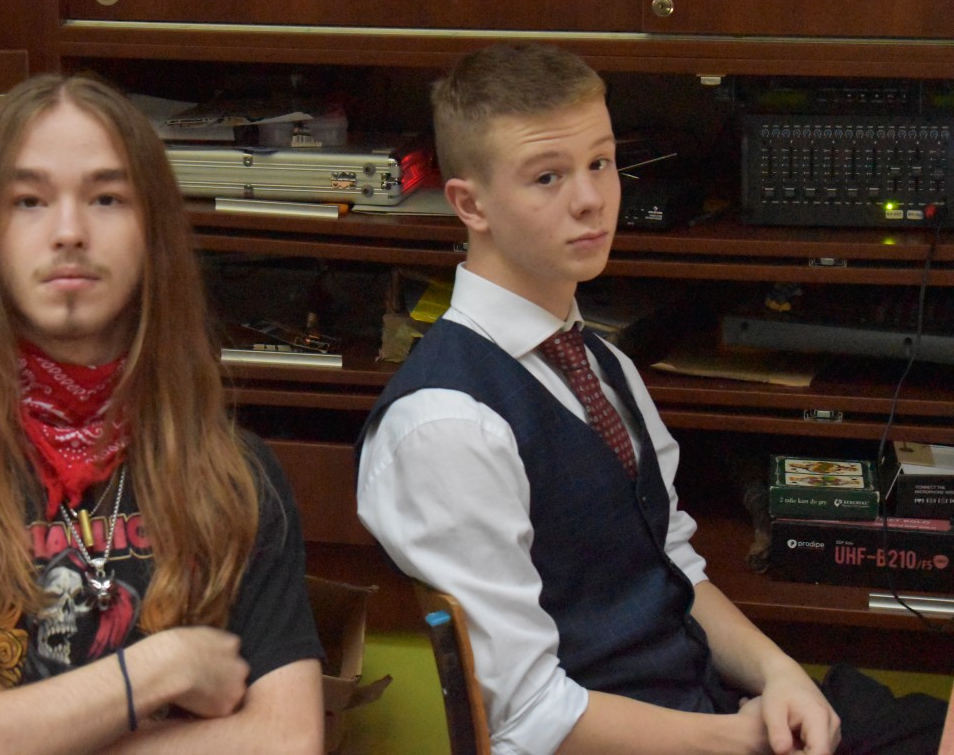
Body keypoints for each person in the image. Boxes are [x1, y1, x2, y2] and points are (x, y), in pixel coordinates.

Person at [356, 44, 947, 755]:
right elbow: (530, 715)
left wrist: (780, 674)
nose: (590, 199)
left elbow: (673, 567)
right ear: (469, 204)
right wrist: (739, 740)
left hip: (704, 706)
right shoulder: (446, 424)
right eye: (547, 176)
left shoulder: (597, 360)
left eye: (601, 163)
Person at [0, 74, 325, 754]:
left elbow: (287, 740)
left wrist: (0, 727)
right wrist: (160, 667)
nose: (68, 232)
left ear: (154, 235)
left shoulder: (234, 475)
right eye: (28, 201)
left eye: (107, 198)